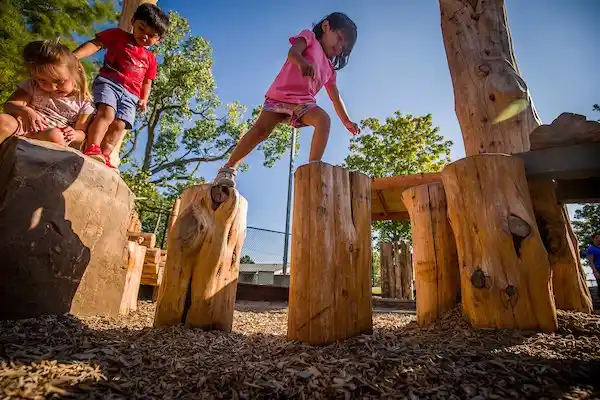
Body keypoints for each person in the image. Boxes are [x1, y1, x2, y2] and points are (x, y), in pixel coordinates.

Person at [213, 12, 360, 187]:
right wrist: (302, 62)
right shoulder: (309, 37)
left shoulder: (330, 70)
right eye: (340, 37)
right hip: (280, 96)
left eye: (345, 46)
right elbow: (292, 53)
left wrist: (347, 121)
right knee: (260, 131)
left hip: (303, 103)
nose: (341, 46)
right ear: (326, 27)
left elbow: (336, 98)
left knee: (323, 120)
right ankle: (228, 169)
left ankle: (313, 168)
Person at [73, 3, 170, 168]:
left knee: (120, 124)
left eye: (151, 35)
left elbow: (148, 81)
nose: (145, 37)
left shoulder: (151, 59)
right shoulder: (118, 35)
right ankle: (92, 146)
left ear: (158, 39)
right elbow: (96, 43)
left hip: (131, 95)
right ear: (133, 21)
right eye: (141, 29)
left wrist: (144, 99)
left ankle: (105, 155)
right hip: (109, 83)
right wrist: (74, 56)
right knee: (107, 113)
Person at [0, 40, 94, 147]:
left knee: (56, 135)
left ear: (75, 73)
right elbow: (9, 105)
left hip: (48, 134)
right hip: (22, 126)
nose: (52, 87)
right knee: (3, 120)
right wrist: (25, 110)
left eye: (59, 81)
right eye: (42, 80)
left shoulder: (84, 103)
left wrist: (75, 134)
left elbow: (82, 133)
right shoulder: (33, 85)